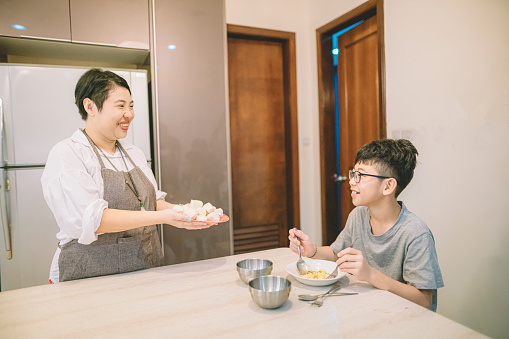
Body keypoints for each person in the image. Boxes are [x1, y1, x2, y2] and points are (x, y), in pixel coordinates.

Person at [41, 68, 209, 283]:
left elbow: (150, 202)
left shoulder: (133, 153)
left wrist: (184, 212)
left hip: (144, 266)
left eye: (131, 106)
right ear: (90, 106)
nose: (129, 114)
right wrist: (164, 218)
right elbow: (93, 220)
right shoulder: (68, 153)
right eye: (120, 106)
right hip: (89, 274)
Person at [289, 139, 444, 311]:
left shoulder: (415, 233)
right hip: (370, 310)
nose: (352, 182)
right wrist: (313, 251)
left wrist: (370, 274)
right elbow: (336, 254)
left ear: (388, 186)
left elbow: (424, 301)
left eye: (360, 175)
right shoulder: (358, 216)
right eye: (353, 173)